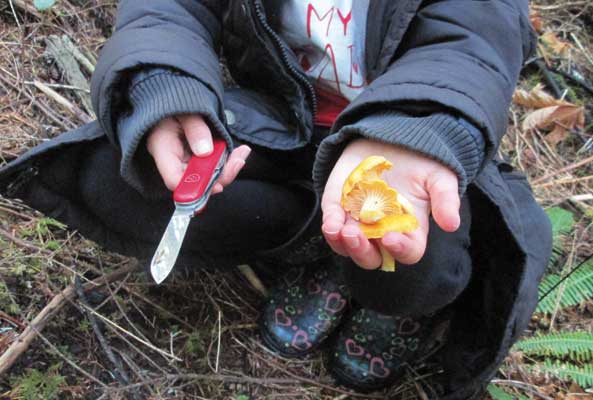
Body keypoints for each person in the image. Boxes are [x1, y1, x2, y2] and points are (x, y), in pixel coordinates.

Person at [0, 0, 553, 397]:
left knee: (417, 258)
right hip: (281, 127)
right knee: (121, 177)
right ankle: (314, 243)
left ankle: (382, 293)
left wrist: (414, 130)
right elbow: (167, 9)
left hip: (406, 145)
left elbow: (473, 42)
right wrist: (166, 85)